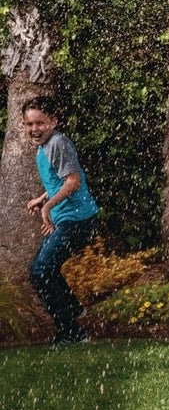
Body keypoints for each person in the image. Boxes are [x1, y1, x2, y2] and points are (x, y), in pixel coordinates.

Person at [22, 96, 99, 349]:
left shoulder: (57, 143)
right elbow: (60, 178)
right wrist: (42, 197)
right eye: (29, 124)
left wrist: (47, 206)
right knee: (43, 270)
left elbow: (74, 181)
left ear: (53, 121)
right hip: (71, 220)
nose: (35, 129)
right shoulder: (45, 146)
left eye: (40, 123)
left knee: (41, 271)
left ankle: (72, 332)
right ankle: (73, 310)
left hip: (78, 221)